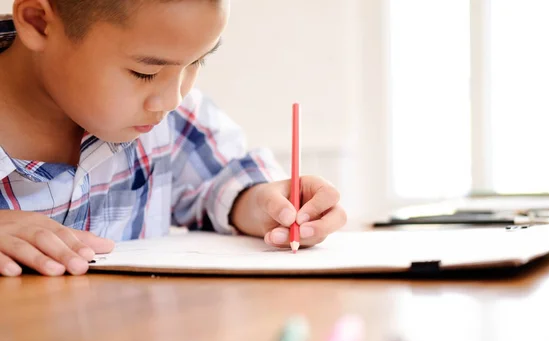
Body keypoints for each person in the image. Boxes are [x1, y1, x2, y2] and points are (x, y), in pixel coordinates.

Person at [0, 0, 346, 277]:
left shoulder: (168, 120)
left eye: (198, 62)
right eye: (144, 73)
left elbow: (222, 180)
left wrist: (267, 206)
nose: (172, 99)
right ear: (37, 22)